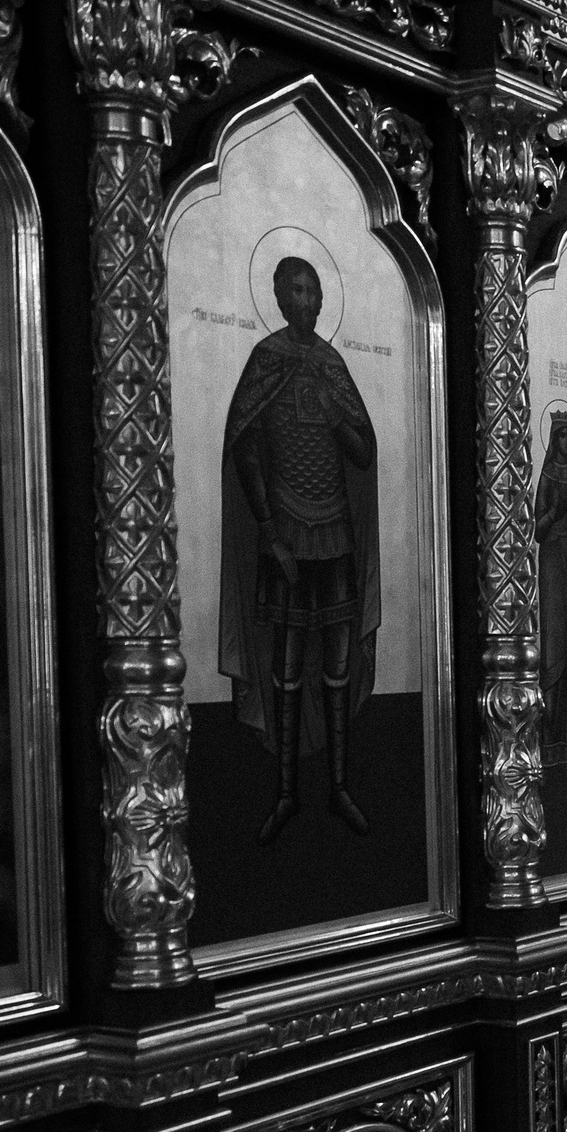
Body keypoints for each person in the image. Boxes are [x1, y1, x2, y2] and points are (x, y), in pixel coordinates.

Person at [219, 255, 379, 843]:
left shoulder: (333, 366)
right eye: (294, 289)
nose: (304, 299)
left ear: (320, 301)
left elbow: (364, 452)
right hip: (284, 532)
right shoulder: (266, 362)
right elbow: (245, 448)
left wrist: (337, 416)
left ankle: (338, 786)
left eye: (312, 289)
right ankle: (285, 791)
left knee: (337, 665)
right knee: (286, 668)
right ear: (281, 300)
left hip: (333, 528)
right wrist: (267, 529)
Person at [534, 408, 567, 748]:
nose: (565, 442)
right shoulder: (548, 473)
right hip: (553, 561)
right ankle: (550, 727)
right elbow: (538, 528)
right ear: (554, 440)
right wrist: (557, 510)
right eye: (561, 436)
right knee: (553, 643)